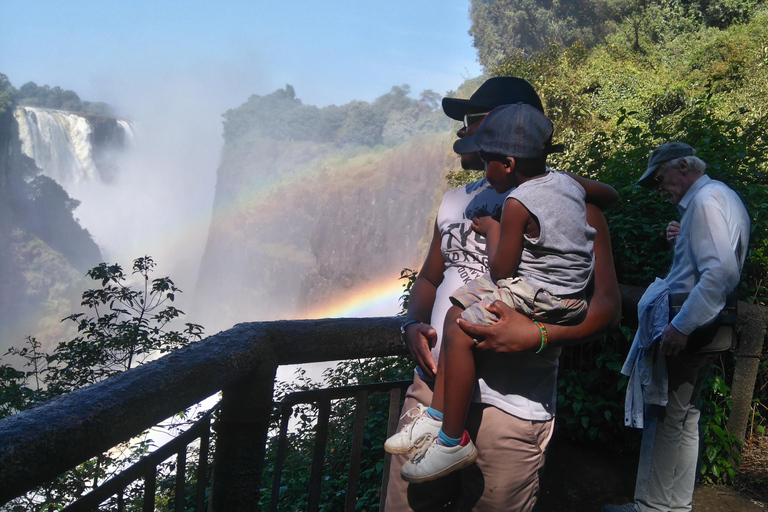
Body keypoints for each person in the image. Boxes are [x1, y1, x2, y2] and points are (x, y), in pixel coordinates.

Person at [385, 77, 622, 512]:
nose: (461, 132)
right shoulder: (455, 201)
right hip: (431, 391)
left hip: (510, 409)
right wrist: (410, 324)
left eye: (472, 122)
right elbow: (428, 280)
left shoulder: (570, 207)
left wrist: (539, 335)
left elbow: (607, 308)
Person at [602, 142, 750, 512]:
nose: (658, 188)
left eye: (659, 178)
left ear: (683, 165)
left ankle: (649, 507)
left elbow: (720, 272)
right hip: (713, 327)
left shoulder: (704, 202)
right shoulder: (720, 196)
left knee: (664, 414)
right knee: (687, 417)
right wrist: (682, 236)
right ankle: (676, 505)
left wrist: (680, 326)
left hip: (692, 328)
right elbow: (716, 259)